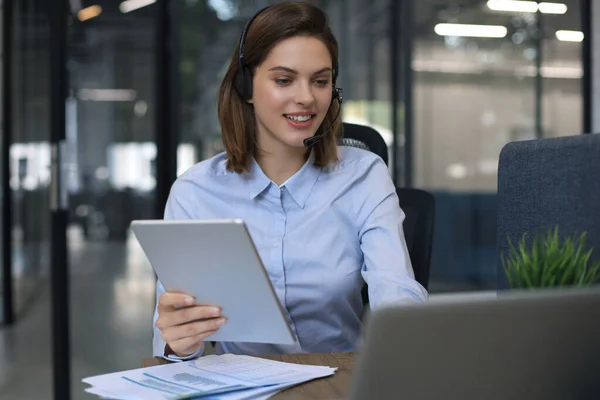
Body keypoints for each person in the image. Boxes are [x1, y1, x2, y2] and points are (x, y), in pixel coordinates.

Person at [153, 1, 427, 361]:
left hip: (337, 383)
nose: (306, 97)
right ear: (246, 86)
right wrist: (181, 343)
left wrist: (408, 335)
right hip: (241, 386)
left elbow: (397, 294)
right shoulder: (195, 193)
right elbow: (171, 344)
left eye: (321, 81)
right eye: (284, 80)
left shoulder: (364, 176)